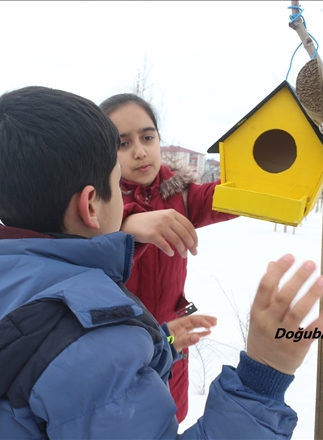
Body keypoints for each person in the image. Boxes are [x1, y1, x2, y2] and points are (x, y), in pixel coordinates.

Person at [0, 86, 323, 439]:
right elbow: (83, 359)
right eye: (120, 152)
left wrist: (163, 340)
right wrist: (262, 376)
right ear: (93, 204)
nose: (137, 152)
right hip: (110, 365)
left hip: (143, 355)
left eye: (147, 136)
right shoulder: (92, 337)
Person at [100, 93, 238, 421]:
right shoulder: (99, 206)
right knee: (126, 423)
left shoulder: (182, 196)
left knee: (168, 415)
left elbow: (235, 196)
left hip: (175, 333)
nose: (139, 150)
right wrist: (128, 222)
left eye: (147, 137)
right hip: (119, 342)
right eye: (122, 143)